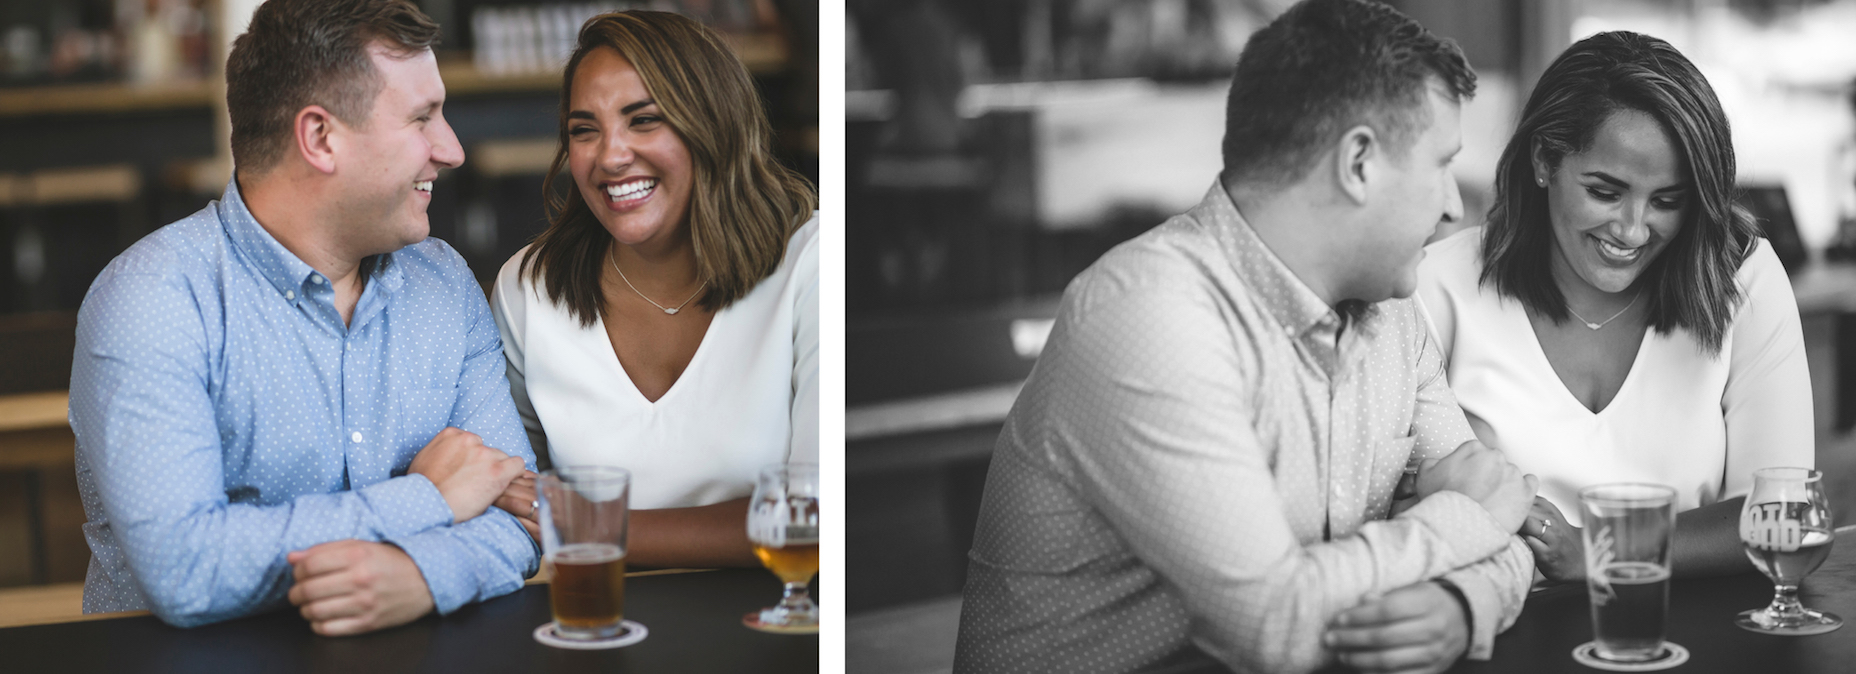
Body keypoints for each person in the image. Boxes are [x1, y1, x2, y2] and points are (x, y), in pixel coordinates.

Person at [953, 1, 1540, 672]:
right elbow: (1277, 629)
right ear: (1359, 164)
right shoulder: (1150, 316)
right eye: (1441, 164)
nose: (1453, 205)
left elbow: (1503, 508)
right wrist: (1458, 519)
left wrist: (1463, 603)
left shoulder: (1391, 316)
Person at [70, 0, 536, 635]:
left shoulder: (443, 282)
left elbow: (524, 517)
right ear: (320, 138)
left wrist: (420, 575)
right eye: (423, 118)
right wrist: (427, 501)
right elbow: (186, 570)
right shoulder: (152, 300)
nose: (451, 149)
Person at [1415, 31, 1807, 583]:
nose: (1632, 230)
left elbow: (1784, 514)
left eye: (1667, 201)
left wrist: (1601, 549)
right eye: (1605, 191)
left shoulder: (1744, 281)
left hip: (1701, 638)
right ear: (1544, 160)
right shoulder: (1438, 286)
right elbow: (1421, 512)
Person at [487, 10, 818, 568]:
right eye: (584, 129)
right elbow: (508, 503)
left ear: (712, 124)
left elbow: (813, 519)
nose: (610, 156)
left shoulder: (809, 263)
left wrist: (584, 523)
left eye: (644, 121)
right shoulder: (529, 286)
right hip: (590, 627)